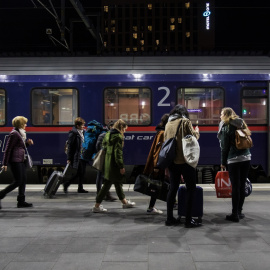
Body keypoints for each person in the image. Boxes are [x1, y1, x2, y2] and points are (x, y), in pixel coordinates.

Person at [164, 105, 201, 227]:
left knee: (173, 188)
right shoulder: (185, 121)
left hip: (172, 161)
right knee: (191, 188)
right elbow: (193, 137)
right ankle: (188, 220)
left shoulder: (168, 123)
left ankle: (169, 218)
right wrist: (197, 132)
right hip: (185, 161)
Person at [92, 119, 136, 212]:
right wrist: (121, 166)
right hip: (114, 165)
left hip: (108, 163)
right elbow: (118, 153)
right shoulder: (118, 137)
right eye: (124, 129)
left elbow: (104, 147)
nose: (125, 131)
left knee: (118, 183)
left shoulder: (107, 134)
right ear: (121, 127)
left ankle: (124, 202)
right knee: (107, 186)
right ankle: (96, 206)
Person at [217, 107, 251, 222]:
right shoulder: (241, 123)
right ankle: (240, 211)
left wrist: (222, 162)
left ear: (226, 115)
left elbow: (224, 147)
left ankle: (234, 214)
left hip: (234, 159)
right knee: (242, 186)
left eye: (221, 114)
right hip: (246, 157)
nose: (220, 116)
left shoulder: (226, 127)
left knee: (235, 186)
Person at [0, 116, 34, 208]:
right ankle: (1, 195)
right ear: (21, 124)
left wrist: (27, 144)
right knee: (18, 181)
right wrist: (5, 163)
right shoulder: (14, 134)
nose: (26, 125)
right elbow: (8, 149)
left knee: (23, 180)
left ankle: (21, 201)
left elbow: (19, 148)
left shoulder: (20, 133)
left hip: (21, 160)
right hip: (15, 161)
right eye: (25, 123)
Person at [143, 113, 169, 214]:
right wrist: (157, 166)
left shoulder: (160, 132)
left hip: (161, 165)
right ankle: (151, 207)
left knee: (162, 185)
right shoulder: (162, 133)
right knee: (158, 185)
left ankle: (172, 202)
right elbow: (157, 151)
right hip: (160, 165)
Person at [63, 117, 88, 193]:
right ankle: (67, 183)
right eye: (82, 125)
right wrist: (69, 158)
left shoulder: (83, 132)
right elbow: (70, 147)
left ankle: (80, 188)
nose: (83, 126)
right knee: (79, 172)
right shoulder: (73, 134)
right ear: (77, 126)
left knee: (82, 172)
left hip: (83, 155)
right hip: (77, 155)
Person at [95, 121, 117, 201]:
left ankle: (103, 194)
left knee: (104, 177)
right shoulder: (104, 135)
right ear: (110, 126)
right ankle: (102, 195)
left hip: (108, 158)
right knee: (102, 176)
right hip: (104, 159)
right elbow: (99, 147)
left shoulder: (109, 135)